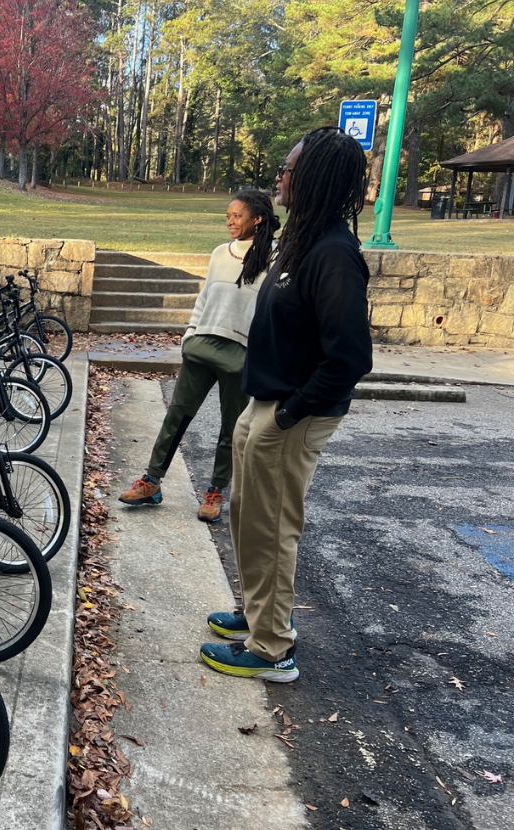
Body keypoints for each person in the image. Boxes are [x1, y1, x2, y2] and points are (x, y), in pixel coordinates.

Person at [201, 126, 373, 683]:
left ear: (314, 179)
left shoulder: (334, 255)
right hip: (266, 400)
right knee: (248, 516)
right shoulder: (298, 239)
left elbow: (349, 357)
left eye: (288, 170)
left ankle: (272, 647)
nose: (279, 177)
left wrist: (290, 413)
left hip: (293, 412)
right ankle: (257, 614)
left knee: (273, 528)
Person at [118, 189, 279, 522]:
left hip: (241, 355)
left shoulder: (276, 259)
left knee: (230, 428)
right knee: (176, 416)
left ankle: (216, 491)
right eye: (227, 216)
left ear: (258, 218)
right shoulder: (220, 253)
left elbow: (273, 311)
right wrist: (189, 335)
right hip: (202, 346)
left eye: (237, 215)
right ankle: (151, 481)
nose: (230, 221)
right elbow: (205, 297)